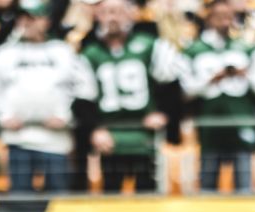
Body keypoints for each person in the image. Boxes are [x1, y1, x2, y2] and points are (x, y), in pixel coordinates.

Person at [0, 0, 99, 193]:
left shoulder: (64, 52)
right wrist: (3, 116)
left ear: (46, 21)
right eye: (22, 18)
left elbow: (87, 88)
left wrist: (68, 116)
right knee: (20, 200)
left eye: (32, 18)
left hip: (56, 141)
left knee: (58, 200)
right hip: (17, 139)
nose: (26, 22)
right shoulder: (4, 53)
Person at [80, 0, 187, 192]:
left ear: (132, 14)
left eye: (118, 12)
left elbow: (172, 83)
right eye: (107, 12)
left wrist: (163, 113)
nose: (113, 18)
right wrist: (93, 129)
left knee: (148, 195)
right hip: (110, 138)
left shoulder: (151, 45)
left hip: (145, 136)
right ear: (97, 16)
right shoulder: (89, 52)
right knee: (110, 197)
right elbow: (82, 98)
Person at [182, 0, 255, 192]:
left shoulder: (247, 48)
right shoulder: (193, 50)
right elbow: (185, 91)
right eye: (219, 16)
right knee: (207, 184)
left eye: (228, 16)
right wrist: (212, 78)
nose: (224, 21)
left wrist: (245, 74)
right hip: (209, 125)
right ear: (208, 17)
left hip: (241, 121)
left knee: (244, 184)